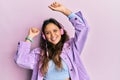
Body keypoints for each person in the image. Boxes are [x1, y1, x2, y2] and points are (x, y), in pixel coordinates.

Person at [14, 2, 90, 80]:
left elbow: (83, 28)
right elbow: (20, 60)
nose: (53, 35)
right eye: (48, 33)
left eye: (55, 31)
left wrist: (64, 11)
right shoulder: (39, 54)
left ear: (61, 31)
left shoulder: (71, 48)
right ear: (44, 36)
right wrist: (30, 37)